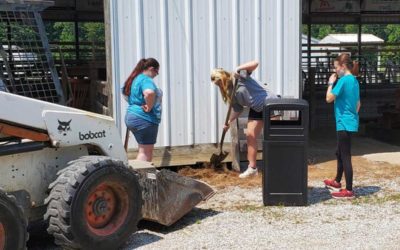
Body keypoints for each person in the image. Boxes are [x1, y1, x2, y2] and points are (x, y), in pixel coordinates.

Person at [211, 61, 278, 178]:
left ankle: (279, 166)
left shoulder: (240, 77)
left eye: (220, 83)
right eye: (218, 85)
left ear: (224, 77)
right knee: (250, 135)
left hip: (269, 103)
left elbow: (256, 63)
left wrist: (238, 68)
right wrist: (227, 122)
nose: (220, 86)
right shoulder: (230, 92)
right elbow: (238, 109)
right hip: (256, 108)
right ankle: (252, 169)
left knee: (275, 137)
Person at [324, 53, 361, 199]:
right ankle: (337, 181)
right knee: (339, 153)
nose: (335, 71)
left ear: (343, 66)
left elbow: (328, 98)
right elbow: (358, 104)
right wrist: (351, 114)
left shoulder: (343, 80)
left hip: (343, 122)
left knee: (345, 155)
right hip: (350, 120)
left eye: (336, 68)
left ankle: (349, 190)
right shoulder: (354, 81)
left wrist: (330, 83)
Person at [123, 58, 162, 162]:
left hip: (131, 116)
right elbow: (149, 93)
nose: (156, 75)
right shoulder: (146, 79)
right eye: (156, 72)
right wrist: (149, 107)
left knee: (142, 150)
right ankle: (141, 177)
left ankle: (137, 175)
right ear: (151, 69)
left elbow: (124, 93)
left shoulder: (135, 79)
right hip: (144, 119)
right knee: (145, 153)